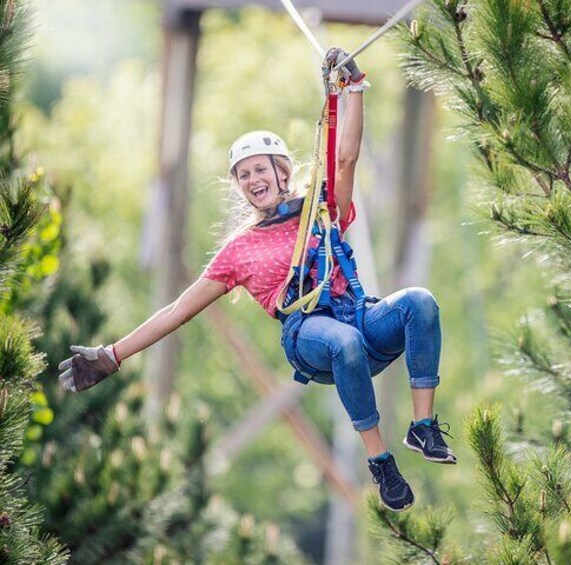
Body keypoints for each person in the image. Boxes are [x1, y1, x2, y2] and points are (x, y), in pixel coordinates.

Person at [58, 48, 455, 513]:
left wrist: (355, 90)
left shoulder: (319, 208)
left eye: (260, 169)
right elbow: (177, 311)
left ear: (281, 172)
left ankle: (422, 426)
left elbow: (345, 158)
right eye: (243, 176)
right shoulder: (238, 251)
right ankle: (380, 461)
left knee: (420, 302)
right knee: (344, 341)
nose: (252, 180)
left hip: (359, 316)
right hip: (310, 335)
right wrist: (112, 355)